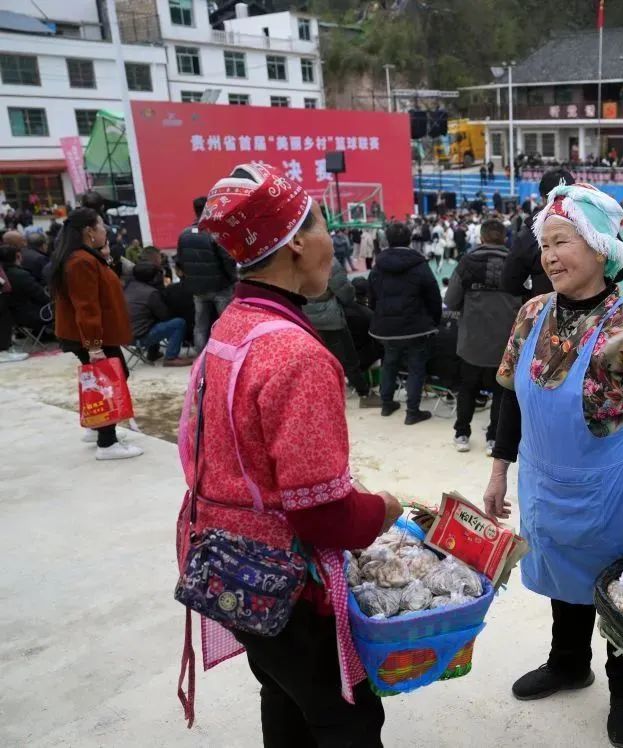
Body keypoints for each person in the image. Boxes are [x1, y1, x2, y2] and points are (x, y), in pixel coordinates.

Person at [176, 162, 403, 743]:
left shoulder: (234, 324)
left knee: (284, 695)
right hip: (283, 581)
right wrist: (383, 508)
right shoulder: (296, 355)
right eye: (323, 223)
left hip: (225, 566)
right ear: (297, 243)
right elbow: (322, 515)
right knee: (345, 717)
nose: (333, 240)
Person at [483, 183, 623, 748]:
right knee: (562, 578)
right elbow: (511, 397)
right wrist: (499, 470)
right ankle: (569, 663)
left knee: (621, 592)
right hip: (544, 480)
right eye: (544, 245)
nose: (549, 256)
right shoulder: (532, 314)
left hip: (612, 491)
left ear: (601, 248)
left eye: (563, 242)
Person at [49, 208, 143, 460]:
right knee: (108, 380)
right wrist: (93, 346)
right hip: (89, 336)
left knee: (105, 378)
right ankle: (107, 442)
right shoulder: (80, 261)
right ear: (89, 231)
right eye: (102, 227)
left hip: (92, 334)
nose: (105, 231)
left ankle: (97, 427)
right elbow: (86, 307)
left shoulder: (85, 257)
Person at [443, 218, 521, 453]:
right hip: (504, 344)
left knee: (467, 389)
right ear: (504, 238)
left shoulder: (467, 262)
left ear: (481, 237)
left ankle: (462, 434)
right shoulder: (515, 264)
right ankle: (494, 438)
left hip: (472, 342)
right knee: (501, 393)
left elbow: (450, 300)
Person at [368, 221, 442, 424]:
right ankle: (412, 411)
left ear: (387, 240)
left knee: (389, 363)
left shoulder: (378, 266)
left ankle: (386, 403)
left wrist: (380, 316)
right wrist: (433, 321)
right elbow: (434, 297)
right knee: (416, 367)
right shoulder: (419, 265)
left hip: (387, 327)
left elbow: (372, 297)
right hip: (415, 327)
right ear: (409, 239)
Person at [304, 256, 382, 407]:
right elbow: (346, 293)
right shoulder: (327, 261)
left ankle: (322, 395)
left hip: (306, 317)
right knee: (348, 358)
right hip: (329, 318)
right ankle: (364, 394)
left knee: (318, 359)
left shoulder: (294, 259)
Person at [503, 168, 576, 301]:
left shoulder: (529, 234)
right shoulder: (596, 224)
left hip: (547, 306)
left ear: (543, 197)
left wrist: (532, 296)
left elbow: (509, 281)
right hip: (596, 307)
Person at [176, 196, 237, 353]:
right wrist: (233, 279)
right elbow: (227, 259)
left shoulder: (184, 234)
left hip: (198, 290)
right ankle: (227, 355)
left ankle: (200, 358)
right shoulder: (215, 233)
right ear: (210, 208)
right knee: (226, 324)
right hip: (220, 288)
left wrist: (188, 282)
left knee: (200, 326)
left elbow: (180, 262)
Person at [123, 261, 193, 366]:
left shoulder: (128, 287)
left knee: (151, 320)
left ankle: (153, 353)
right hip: (139, 337)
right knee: (178, 323)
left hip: (125, 336)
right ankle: (171, 357)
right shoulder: (151, 293)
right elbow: (165, 316)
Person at [0, 242, 49, 333]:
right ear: (18, 256)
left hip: (10, 316)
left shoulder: (3, 275)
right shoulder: (21, 275)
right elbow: (41, 296)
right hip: (27, 316)